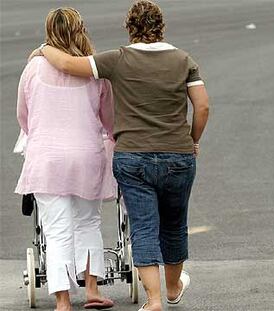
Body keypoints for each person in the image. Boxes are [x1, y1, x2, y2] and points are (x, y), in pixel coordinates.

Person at [32, 1, 209, 310]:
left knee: (143, 227)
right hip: (177, 155)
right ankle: (171, 288)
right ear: (161, 26)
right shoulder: (184, 60)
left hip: (132, 157)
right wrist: (193, 140)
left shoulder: (117, 59)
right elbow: (202, 106)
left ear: (130, 28)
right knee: (174, 225)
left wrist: (46, 48)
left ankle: (153, 300)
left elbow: (69, 65)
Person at [17, 8, 115, 311]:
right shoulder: (92, 71)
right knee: (88, 222)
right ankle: (93, 290)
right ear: (81, 30)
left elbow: (24, 116)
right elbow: (109, 119)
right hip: (86, 155)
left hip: (46, 158)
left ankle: (62, 301)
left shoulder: (33, 68)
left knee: (56, 230)